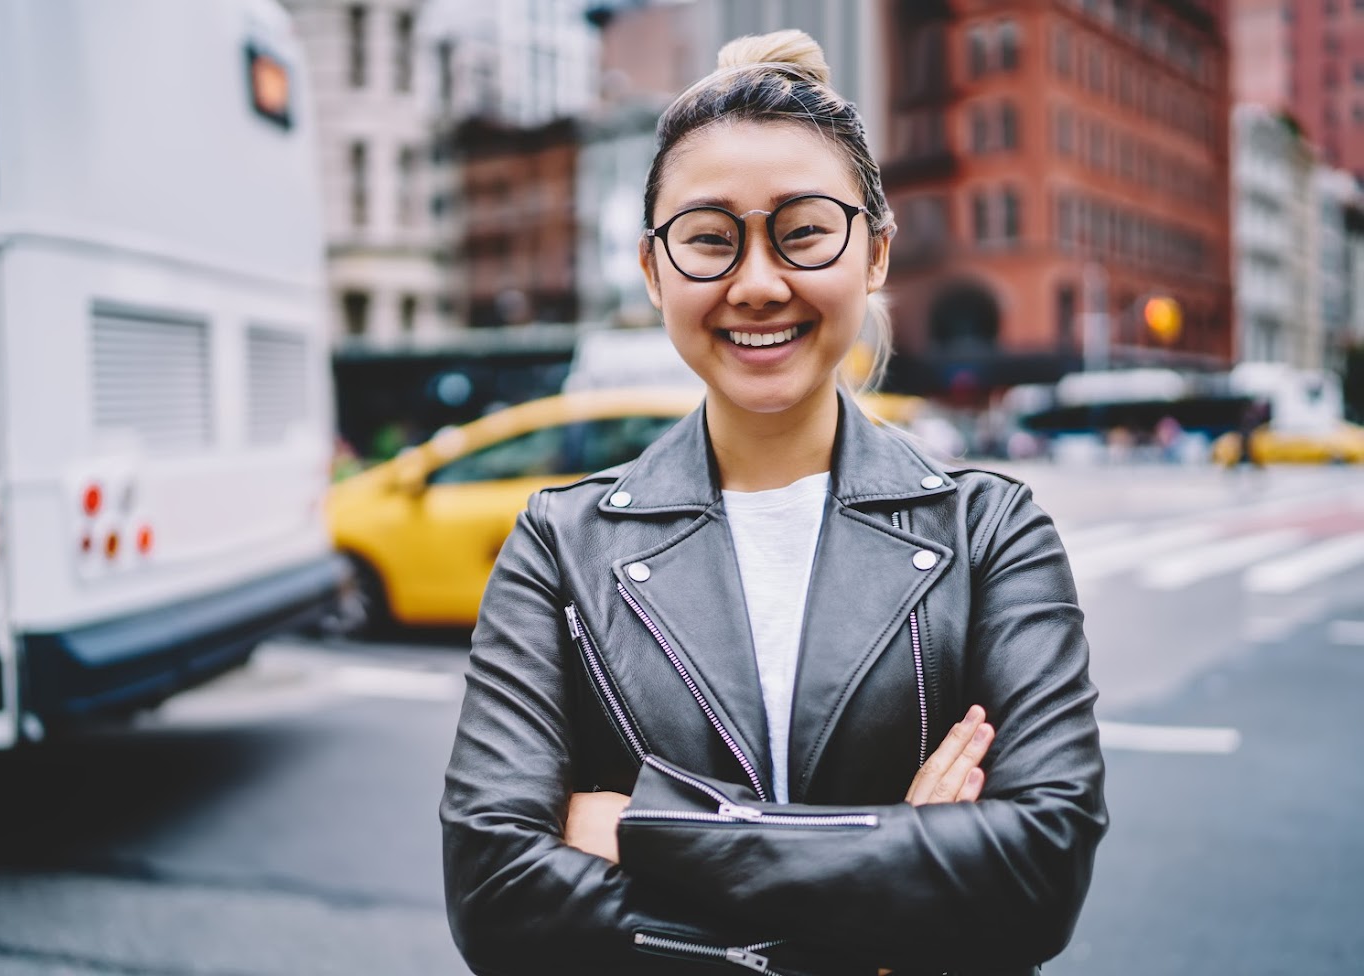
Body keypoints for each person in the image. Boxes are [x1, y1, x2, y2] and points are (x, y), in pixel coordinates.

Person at [441, 31, 1106, 976]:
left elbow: (1039, 869)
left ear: (874, 253)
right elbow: (496, 895)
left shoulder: (992, 531)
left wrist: (646, 829)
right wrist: (897, 863)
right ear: (653, 270)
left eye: (803, 232)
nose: (757, 284)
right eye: (710, 240)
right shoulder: (561, 545)